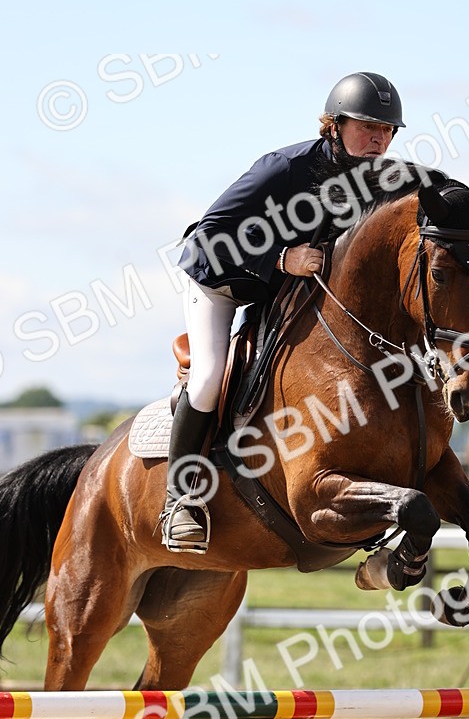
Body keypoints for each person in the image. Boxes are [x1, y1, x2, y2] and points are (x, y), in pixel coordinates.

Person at [161, 71, 406, 553]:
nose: (379, 139)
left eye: (387, 130)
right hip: (222, 279)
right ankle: (182, 498)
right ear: (333, 125)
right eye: (367, 126)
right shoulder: (283, 167)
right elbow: (206, 236)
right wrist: (280, 258)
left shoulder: (379, 182)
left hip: (282, 292)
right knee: (209, 377)